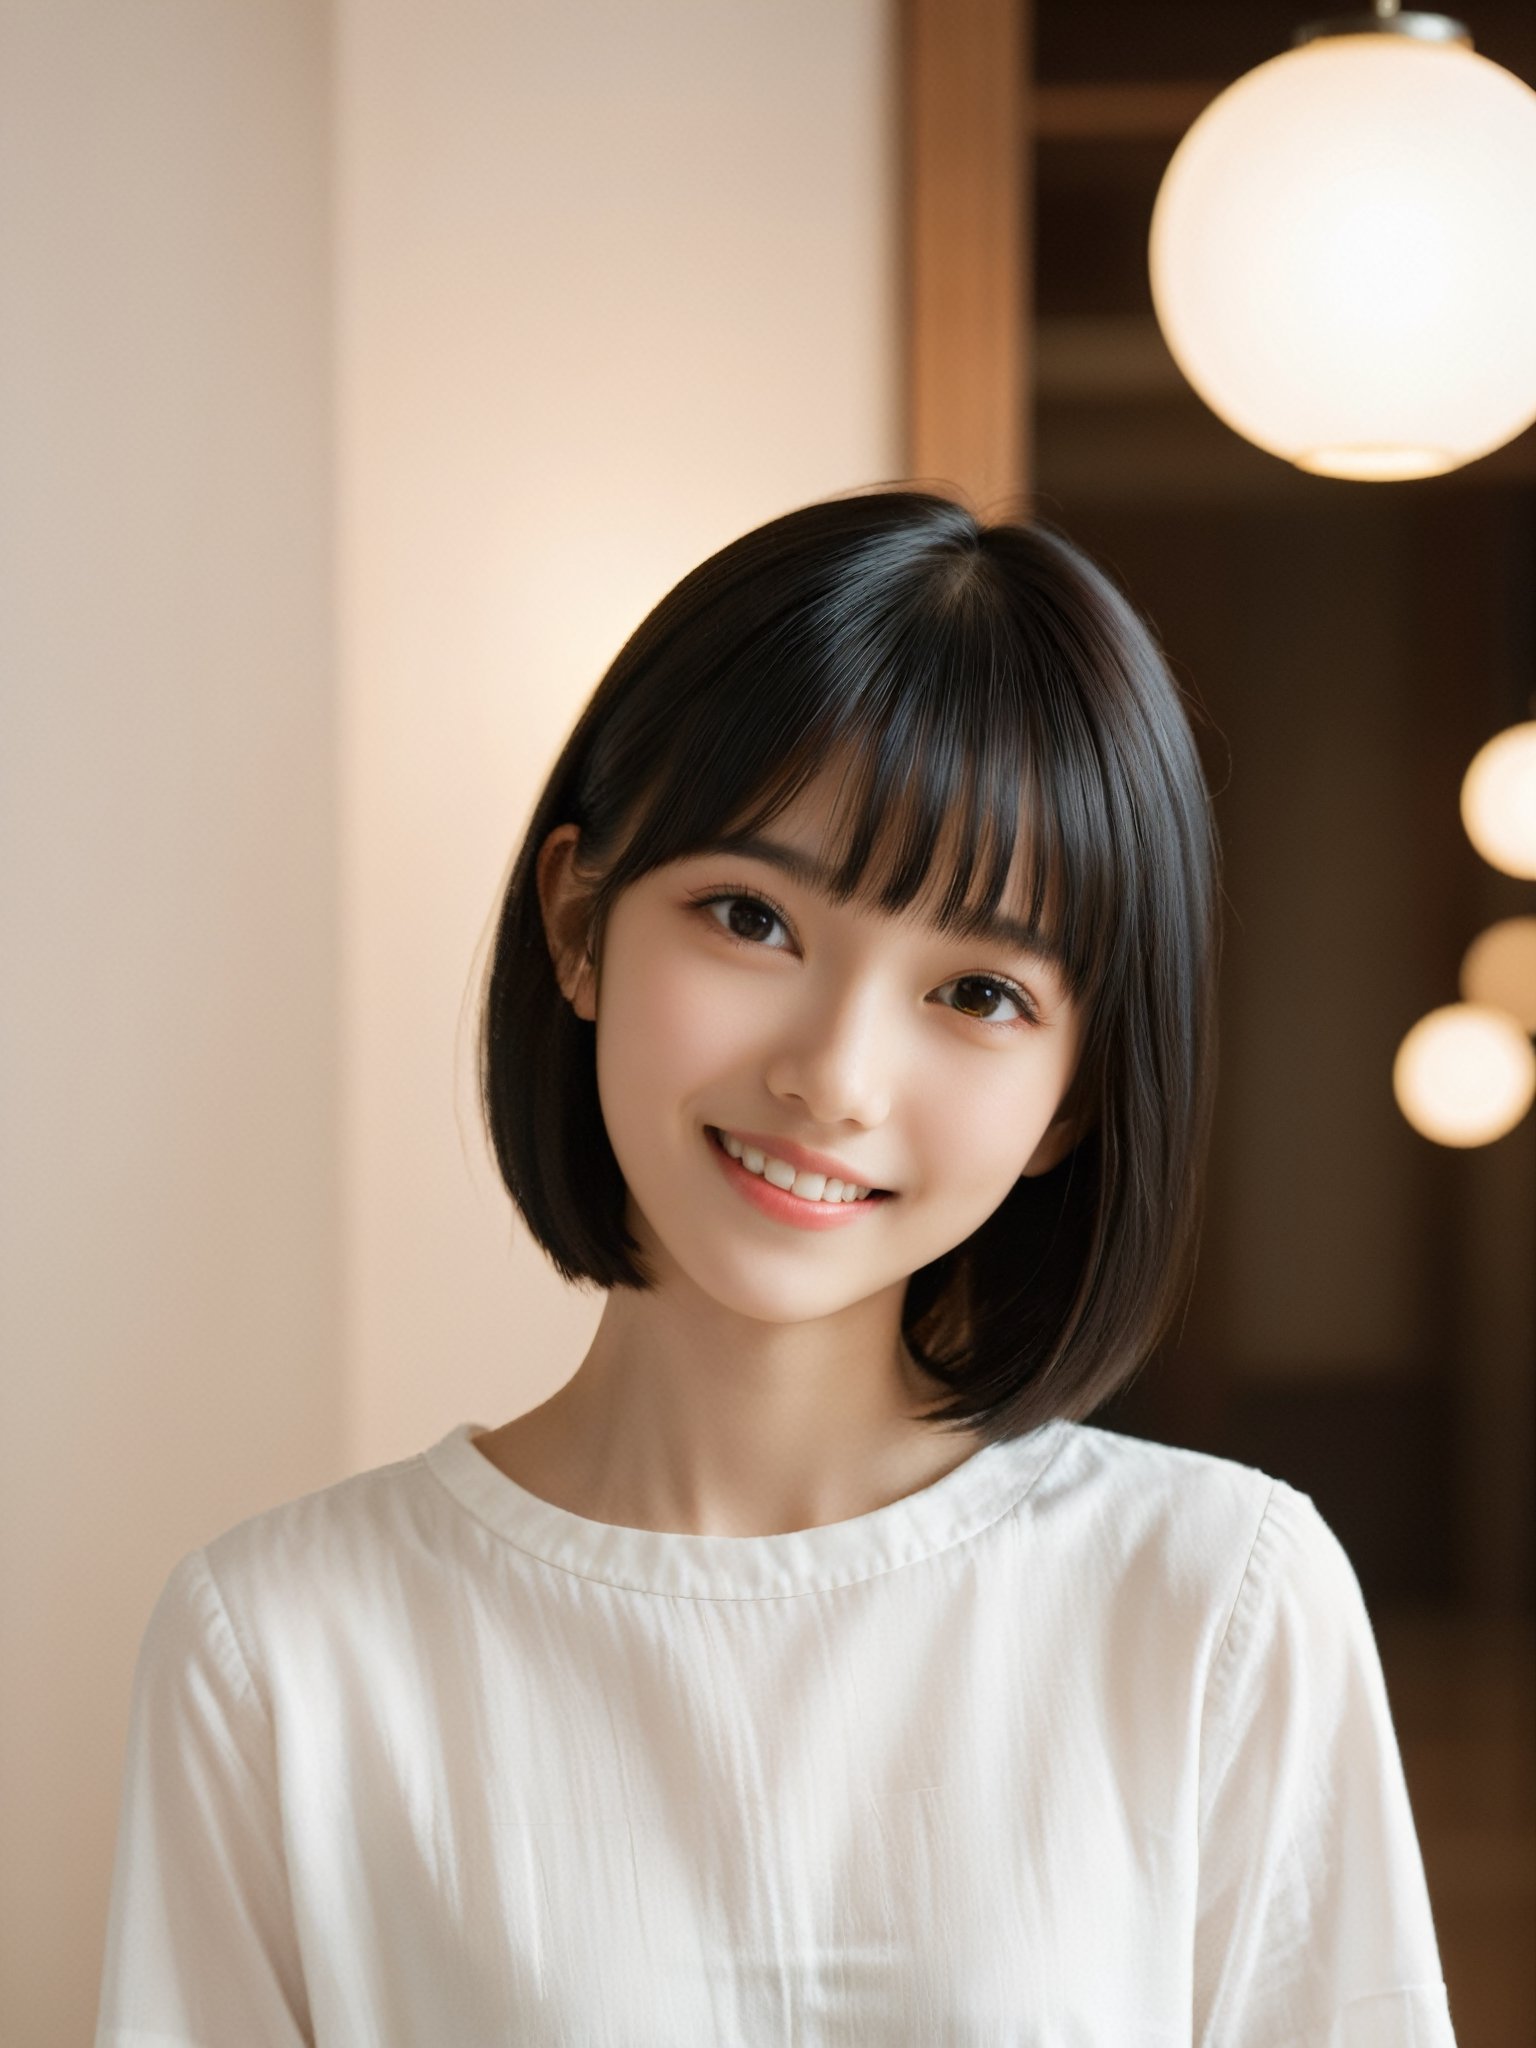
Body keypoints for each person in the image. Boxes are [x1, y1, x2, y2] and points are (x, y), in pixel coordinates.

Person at [95, 489, 1456, 2044]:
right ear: (580, 922)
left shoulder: (1218, 1600)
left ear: (1072, 1095)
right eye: (751, 918)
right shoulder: (280, 1647)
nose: (836, 1076)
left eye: (978, 992)